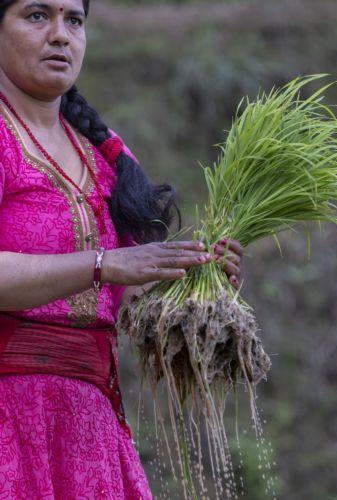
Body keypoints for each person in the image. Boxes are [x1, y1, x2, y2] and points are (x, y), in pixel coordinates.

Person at [0, 0, 244, 497]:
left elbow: (133, 301)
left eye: (74, 20)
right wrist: (104, 264)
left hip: (90, 426)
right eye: (36, 15)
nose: (61, 35)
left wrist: (197, 280)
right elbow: (109, 268)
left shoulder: (105, 153)